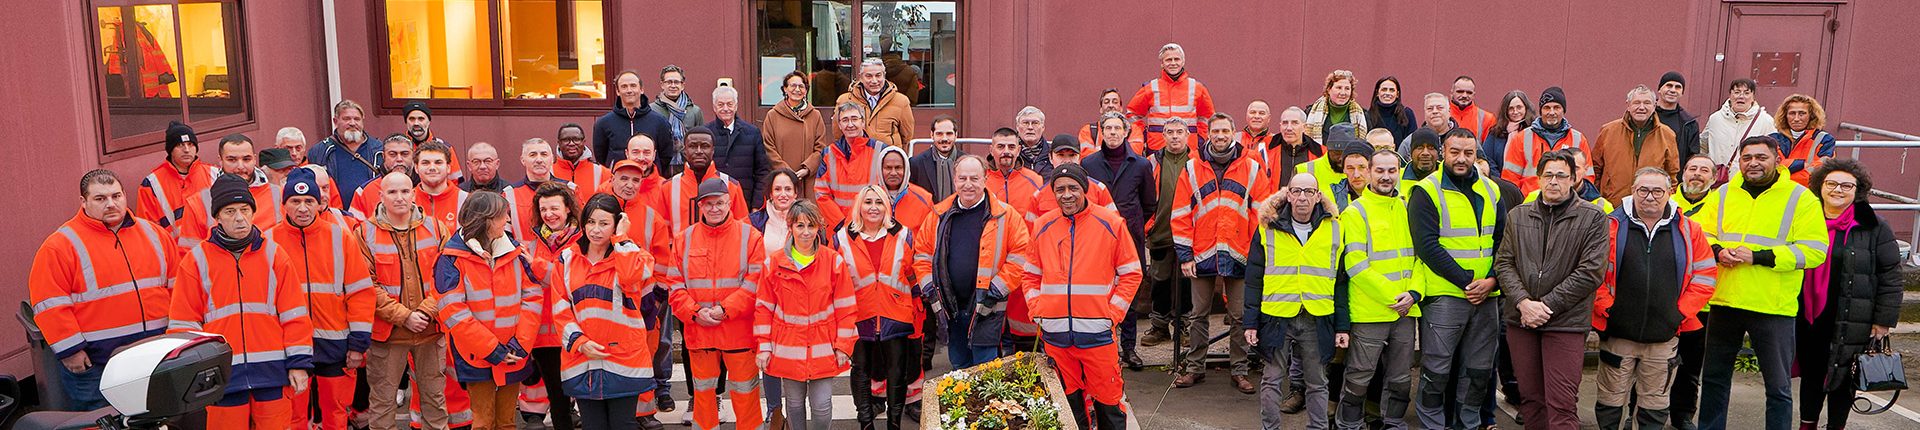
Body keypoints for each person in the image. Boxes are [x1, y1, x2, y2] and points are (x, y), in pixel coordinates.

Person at [1695, 136, 1829, 430]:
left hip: (1773, 305)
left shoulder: (1801, 197)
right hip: (1724, 300)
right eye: (1747, 158)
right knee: (1714, 379)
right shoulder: (1722, 194)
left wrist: (1761, 257)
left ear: (1777, 160)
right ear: (1739, 162)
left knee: (1778, 387)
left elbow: (1815, 250)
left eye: (1761, 157)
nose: (1753, 163)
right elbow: (1700, 235)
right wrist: (1718, 251)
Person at [168, 175, 313, 429]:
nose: (239, 218)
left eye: (245, 210)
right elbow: (183, 325)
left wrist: (299, 363)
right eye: (230, 211)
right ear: (217, 217)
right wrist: (197, 374)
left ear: (253, 212)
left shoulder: (274, 255)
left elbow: (295, 315)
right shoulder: (196, 261)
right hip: (222, 377)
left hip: (272, 374)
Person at [29, 170, 176, 411]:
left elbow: (177, 287)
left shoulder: (155, 234)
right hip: (97, 364)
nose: (111, 204)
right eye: (100, 198)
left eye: (116, 196)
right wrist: (71, 350)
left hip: (155, 356)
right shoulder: (60, 246)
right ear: (83, 202)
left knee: (158, 418)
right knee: (101, 421)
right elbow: (49, 303)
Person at [1590, 167, 1718, 430]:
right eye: (1643, 190)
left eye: (1658, 191)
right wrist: (1607, 309)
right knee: (1609, 400)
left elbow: (1705, 277)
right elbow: (1592, 274)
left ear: (1669, 193)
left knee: (1655, 403)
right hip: (1617, 334)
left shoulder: (1689, 231)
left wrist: (1679, 313)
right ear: (1633, 191)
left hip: (1664, 336)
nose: (1650, 197)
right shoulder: (1609, 226)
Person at [1493, 149, 1608, 430]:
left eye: (1561, 175)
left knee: (1561, 403)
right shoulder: (1518, 216)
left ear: (1573, 179)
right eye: (1548, 175)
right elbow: (1504, 263)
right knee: (1530, 399)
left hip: (1565, 323)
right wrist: (1523, 302)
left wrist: (1545, 306)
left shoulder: (1593, 217)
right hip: (1522, 321)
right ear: (1538, 179)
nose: (1554, 181)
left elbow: (1591, 271)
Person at [1021, 163, 1140, 429]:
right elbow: (1029, 275)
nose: (1066, 195)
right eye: (1060, 189)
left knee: (1109, 405)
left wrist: (1112, 315)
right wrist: (1037, 309)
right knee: (1069, 409)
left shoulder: (1110, 223)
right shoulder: (1042, 225)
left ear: (1084, 190)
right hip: (1056, 337)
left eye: (1073, 188)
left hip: (1097, 335)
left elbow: (1132, 273)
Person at [1409, 128, 1512, 430]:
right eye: (1455, 151)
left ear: (1476, 155)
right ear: (1443, 152)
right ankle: (1432, 425)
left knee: (1479, 372)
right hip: (1445, 297)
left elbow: (1503, 242)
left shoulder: (1491, 190)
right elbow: (1427, 246)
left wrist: (1492, 281)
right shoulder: (1426, 191)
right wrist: (1469, 282)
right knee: (1436, 371)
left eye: (1468, 153)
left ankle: (1467, 424)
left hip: (1487, 297)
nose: (1461, 158)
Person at [1797, 160, 1905, 429]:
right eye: (1831, 184)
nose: (1838, 190)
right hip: (1808, 314)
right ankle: (1806, 424)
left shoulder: (1874, 226)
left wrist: (1883, 321)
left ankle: (1837, 426)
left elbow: (1891, 275)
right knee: (1812, 374)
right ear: (1820, 187)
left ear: (1857, 191)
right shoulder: (1804, 219)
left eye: (1847, 185)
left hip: (1852, 315)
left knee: (1843, 377)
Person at [266, 168, 374, 429]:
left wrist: (358, 344)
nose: (302, 208)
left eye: (309, 201)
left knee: (336, 415)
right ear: (284, 204)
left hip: (335, 347)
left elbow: (360, 292)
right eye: (295, 201)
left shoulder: (340, 237)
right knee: (294, 416)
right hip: (288, 348)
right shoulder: (268, 241)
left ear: (319, 203)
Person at [550, 194, 668, 430]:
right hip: (583, 358)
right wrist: (580, 342)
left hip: (624, 358)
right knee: (593, 426)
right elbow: (560, 307)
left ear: (617, 223)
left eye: (604, 223)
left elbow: (628, 277)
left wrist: (622, 239)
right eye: (591, 222)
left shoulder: (636, 256)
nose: (595, 230)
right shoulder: (566, 259)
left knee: (623, 424)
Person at [1172, 113, 1272, 392]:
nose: (1220, 135)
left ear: (1234, 133)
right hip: (1202, 251)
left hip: (1240, 251)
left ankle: (1239, 370)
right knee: (1198, 314)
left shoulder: (1251, 167)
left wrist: (1256, 253)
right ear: (1209, 134)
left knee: (1240, 316)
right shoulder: (1192, 168)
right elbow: (1180, 213)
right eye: (1215, 131)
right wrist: (1185, 254)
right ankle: (1195, 368)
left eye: (1225, 130)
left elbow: (1262, 213)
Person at [435, 191, 545, 430]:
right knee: (483, 423)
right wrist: (491, 349)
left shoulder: (515, 251)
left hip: (513, 351)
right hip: (476, 354)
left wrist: (521, 344)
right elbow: (453, 311)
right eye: (501, 216)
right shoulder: (451, 258)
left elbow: (533, 296)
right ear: (484, 220)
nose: (507, 221)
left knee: (506, 423)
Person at [664, 177, 767, 430]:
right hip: (701, 332)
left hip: (738, 333)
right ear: (700, 206)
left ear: (729, 202)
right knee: (703, 399)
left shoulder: (750, 237)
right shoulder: (683, 239)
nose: (714, 208)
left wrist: (725, 309)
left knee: (746, 397)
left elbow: (755, 284)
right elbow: (674, 286)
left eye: (719, 203)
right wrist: (695, 312)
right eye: (708, 204)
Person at [913, 155, 1031, 369]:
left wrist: (996, 289)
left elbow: (1021, 255)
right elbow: (922, 254)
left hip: (988, 308)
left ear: (985, 179)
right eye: (963, 178)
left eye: (974, 179)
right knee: (959, 366)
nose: (968, 184)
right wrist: (929, 287)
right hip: (951, 308)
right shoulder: (938, 215)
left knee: (986, 371)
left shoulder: (1006, 215)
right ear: (955, 180)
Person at [356, 170, 452, 430]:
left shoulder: (436, 228)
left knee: (434, 399)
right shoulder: (364, 233)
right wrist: (404, 316)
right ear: (381, 196)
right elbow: (366, 284)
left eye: (404, 191)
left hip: (430, 331)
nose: (399, 197)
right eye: (392, 192)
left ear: (413, 193)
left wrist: (426, 312)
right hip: (388, 335)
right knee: (382, 403)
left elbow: (449, 278)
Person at [1332, 151, 1421, 430]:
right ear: (1369, 172)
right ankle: (1349, 425)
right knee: (1359, 377)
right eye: (1380, 170)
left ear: (1399, 172)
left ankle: (1393, 423)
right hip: (1371, 311)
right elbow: (1355, 265)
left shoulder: (1408, 208)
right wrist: (1395, 297)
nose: (1386, 176)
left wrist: (1415, 293)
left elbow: (1421, 258)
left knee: (1401, 378)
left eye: (1392, 170)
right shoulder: (1355, 212)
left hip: (1406, 311)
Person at [1245, 172, 1340, 430]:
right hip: (1276, 316)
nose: (1302, 197)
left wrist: (1342, 326)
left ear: (1318, 196)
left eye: (1309, 192)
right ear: (1288, 194)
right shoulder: (1267, 227)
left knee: (1317, 382)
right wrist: (1250, 322)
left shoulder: (1334, 227)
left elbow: (1340, 280)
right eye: (1296, 191)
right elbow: (1253, 279)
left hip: (1316, 316)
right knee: (1272, 379)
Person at [755, 200, 857, 430]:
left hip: (824, 347)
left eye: (811, 226)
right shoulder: (774, 264)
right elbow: (763, 308)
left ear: (818, 227)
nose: (806, 232)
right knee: (794, 404)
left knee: (821, 406)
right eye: (800, 226)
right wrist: (763, 346)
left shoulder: (833, 262)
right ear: (790, 227)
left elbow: (846, 307)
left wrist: (843, 346)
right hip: (788, 348)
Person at [836, 185, 924, 430]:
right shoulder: (842, 238)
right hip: (857, 313)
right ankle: (866, 423)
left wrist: (919, 308)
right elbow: (836, 278)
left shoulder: (904, 234)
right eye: (868, 202)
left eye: (879, 202)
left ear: (887, 206)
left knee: (897, 371)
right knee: (861, 370)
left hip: (895, 312)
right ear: (859, 207)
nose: (873, 207)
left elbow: (912, 273)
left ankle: (894, 424)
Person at [1082, 112, 1159, 370]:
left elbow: (1149, 204)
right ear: (1101, 132)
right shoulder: (1089, 164)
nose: (1113, 133)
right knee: (1100, 293)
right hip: (1096, 239)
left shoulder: (1140, 165)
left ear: (1126, 132)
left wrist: (1133, 223)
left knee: (1129, 293)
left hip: (1130, 237)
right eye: (1108, 128)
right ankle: (1104, 346)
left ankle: (1129, 348)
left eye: (1117, 128)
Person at [1140, 116, 1195, 350]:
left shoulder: (1197, 161)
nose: (1174, 136)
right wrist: (1149, 226)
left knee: (1186, 283)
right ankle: (1160, 326)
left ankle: (1183, 327)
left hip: (1190, 235)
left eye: (1179, 132)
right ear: (1162, 136)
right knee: (1160, 281)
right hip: (1160, 232)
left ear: (1187, 135)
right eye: (1170, 132)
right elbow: (1143, 196)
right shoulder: (1151, 162)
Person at [174, 134, 282, 247]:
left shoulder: (278, 195)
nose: (240, 166)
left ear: (255, 159)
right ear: (220, 160)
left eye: (246, 159)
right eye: (232, 159)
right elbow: (189, 254)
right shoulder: (198, 202)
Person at [1592, 86, 1682, 204]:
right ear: (1628, 105)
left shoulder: (1667, 135)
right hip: (1612, 204)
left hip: (1650, 205)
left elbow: (1672, 175)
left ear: (1654, 106)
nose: (1641, 107)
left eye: (1647, 103)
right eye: (1636, 103)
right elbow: (1595, 169)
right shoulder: (1608, 131)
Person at [1128, 43, 1216, 154]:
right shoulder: (1150, 87)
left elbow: (1209, 116)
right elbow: (1132, 114)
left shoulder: (1197, 88)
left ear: (1183, 62)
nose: (1173, 63)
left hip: (1189, 150)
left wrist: (1200, 139)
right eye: (1168, 60)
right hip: (1157, 149)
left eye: (1176, 59)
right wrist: (1144, 135)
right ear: (1162, 63)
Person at [1503, 87, 1589, 194]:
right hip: (1529, 204)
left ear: (1564, 111)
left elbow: (1587, 177)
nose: (1551, 112)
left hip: (1567, 205)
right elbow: (1509, 178)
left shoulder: (1579, 139)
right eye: (1547, 108)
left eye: (1557, 107)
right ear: (1541, 111)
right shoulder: (1522, 138)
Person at [136, 121, 220, 228]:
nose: (186, 150)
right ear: (170, 150)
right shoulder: (151, 184)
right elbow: (147, 230)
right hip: (171, 244)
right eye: (180, 145)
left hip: (210, 244)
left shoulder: (216, 174)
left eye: (190, 144)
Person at [669, 126, 750, 233]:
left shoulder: (731, 185)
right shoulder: (668, 187)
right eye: (693, 146)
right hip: (680, 249)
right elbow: (661, 232)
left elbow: (743, 229)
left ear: (713, 150)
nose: (699, 151)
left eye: (705, 146)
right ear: (684, 151)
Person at [594, 69, 677, 173]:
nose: (629, 90)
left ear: (641, 89)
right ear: (618, 92)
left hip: (651, 184)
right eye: (624, 86)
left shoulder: (660, 122)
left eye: (633, 85)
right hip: (617, 182)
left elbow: (666, 155)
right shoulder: (604, 123)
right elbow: (601, 157)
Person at [816, 103, 886, 226]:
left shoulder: (881, 151)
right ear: (839, 125)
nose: (850, 124)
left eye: (854, 119)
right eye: (845, 120)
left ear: (863, 122)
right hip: (838, 228)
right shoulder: (829, 153)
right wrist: (840, 224)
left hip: (872, 226)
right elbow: (821, 193)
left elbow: (890, 191)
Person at [763, 70, 833, 193]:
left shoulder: (815, 115)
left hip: (808, 180)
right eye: (793, 85)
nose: (797, 89)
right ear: (785, 89)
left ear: (806, 90)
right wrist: (785, 171)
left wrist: (807, 169)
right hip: (781, 179)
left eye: (801, 86)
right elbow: (769, 147)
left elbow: (820, 148)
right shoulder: (773, 115)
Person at [707, 85, 772, 209]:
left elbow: (762, 171)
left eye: (729, 104)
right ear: (714, 107)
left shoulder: (752, 132)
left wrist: (757, 205)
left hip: (745, 202)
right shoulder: (707, 134)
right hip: (714, 203)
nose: (725, 109)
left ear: (736, 106)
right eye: (721, 105)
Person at [311, 100, 383, 206]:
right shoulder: (320, 151)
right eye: (346, 119)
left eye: (357, 119)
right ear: (335, 121)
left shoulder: (379, 149)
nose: (352, 123)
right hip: (335, 216)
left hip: (371, 214)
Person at [838, 58, 915, 150]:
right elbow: (838, 133)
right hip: (855, 157)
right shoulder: (845, 100)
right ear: (861, 77)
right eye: (869, 76)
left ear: (884, 75)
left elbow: (907, 136)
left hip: (887, 158)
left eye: (878, 75)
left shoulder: (901, 101)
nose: (874, 81)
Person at [1702, 79, 1774, 175]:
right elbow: (1702, 146)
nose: (1741, 96)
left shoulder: (1765, 121)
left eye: (1746, 93)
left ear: (1753, 97)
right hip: (1717, 180)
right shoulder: (1715, 119)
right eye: (1737, 92)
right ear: (1730, 95)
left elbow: (1773, 152)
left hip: (1750, 181)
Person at [1768, 94, 1837, 187]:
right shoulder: (1772, 139)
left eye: (1802, 113)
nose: (1796, 118)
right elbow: (1770, 167)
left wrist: (1785, 175)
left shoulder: (1825, 139)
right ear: (1785, 116)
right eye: (1792, 113)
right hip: (1777, 191)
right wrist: (1802, 164)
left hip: (1810, 192)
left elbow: (1821, 170)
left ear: (1811, 116)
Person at [985, 127, 1046, 216]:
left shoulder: (1035, 180)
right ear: (991, 150)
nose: (1006, 151)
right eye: (1000, 147)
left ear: (1018, 150)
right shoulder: (980, 179)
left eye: (1011, 147)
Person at [413, 142, 469, 234]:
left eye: (438, 162)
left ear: (448, 168)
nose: (432, 168)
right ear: (416, 168)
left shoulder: (466, 201)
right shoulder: (407, 200)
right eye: (425, 163)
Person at [911, 115, 966, 203]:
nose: (944, 139)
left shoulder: (967, 162)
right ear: (932, 135)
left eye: (949, 134)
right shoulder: (916, 163)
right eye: (939, 134)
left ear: (956, 135)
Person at [1261, 108, 1323, 184]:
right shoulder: (1264, 149)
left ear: (1304, 127)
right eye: (1285, 123)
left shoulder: (1320, 153)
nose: (1289, 128)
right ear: (1280, 126)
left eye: (1295, 123)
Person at [1305, 69, 1370, 143]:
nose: (1343, 93)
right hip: (1320, 154)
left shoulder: (1363, 116)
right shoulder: (1310, 112)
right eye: (1339, 88)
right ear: (1329, 90)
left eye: (1347, 89)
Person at [552, 123, 611, 202]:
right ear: (558, 143)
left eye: (576, 139)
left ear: (584, 142)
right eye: (566, 140)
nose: (571, 143)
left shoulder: (602, 173)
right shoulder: (548, 172)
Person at [880, 146, 935, 228]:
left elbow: (930, 233)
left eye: (898, 168)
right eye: (888, 168)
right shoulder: (868, 198)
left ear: (906, 169)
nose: (893, 173)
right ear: (880, 169)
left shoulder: (924, 198)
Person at [651, 65, 705, 147]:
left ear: (682, 85)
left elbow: (701, 139)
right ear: (662, 85)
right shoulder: (652, 110)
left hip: (687, 158)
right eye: (669, 82)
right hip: (661, 157)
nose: (673, 86)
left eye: (676, 82)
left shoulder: (695, 111)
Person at [1079, 89, 1146, 155]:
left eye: (1115, 102)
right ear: (1101, 109)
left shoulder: (1134, 130)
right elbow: (1085, 157)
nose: (1111, 105)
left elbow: (1135, 155)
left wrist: (1101, 151)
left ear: (1121, 108)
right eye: (1106, 102)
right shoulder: (1088, 131)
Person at [1657, 72, 1704, 164]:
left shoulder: (1690, 123)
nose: (1673, 90)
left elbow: (1692, 157)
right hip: (1645, 175)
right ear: (1659, 89)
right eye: (1669, 85)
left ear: (1682, 93)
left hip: (1675, 176)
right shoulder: (1646, 116)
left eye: (1678, 87)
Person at [1482, 91, 1534, 173]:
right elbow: (1487, 158)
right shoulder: (1496, 132)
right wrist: (1499, 180)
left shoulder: (1534, 132)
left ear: (1526, 108)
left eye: (1519, 107)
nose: (1515, 112)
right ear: (1505, 111)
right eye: (1511, 108)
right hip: (1499, 181)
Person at [1399, 93, 1456, 161]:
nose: (1435, 111)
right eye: (1430, 108)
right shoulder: (1409, 142)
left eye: (1440, 108)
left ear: (1449, 111)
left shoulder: (1461, 139)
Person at [1367, 77, 1418, 144]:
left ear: (1397, 94)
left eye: (1392, 90)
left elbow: (1412, 142)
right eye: (1384, 89)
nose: (1387, 93)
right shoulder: (1367, 115)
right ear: (1377, 93)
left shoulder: (1407, 114)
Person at [1013, 106, 1056, 176]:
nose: (1030, 127)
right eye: (1025, 123)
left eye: (1035, 123)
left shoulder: (1053, 154)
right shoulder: (1011, 154)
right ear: (1017, 127)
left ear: (1043, 128)